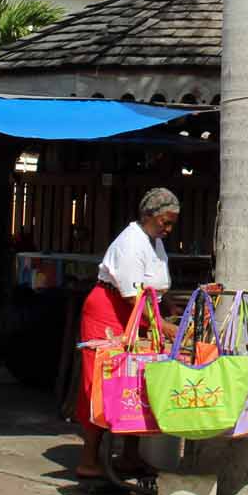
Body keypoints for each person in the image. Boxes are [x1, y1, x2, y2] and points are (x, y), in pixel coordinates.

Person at [77, 187, 178, 480]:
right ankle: (88, 459)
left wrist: (169, 311)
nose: (169, 229)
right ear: (149, 216)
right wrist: (164, 327)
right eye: (165, 223)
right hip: (109, 312)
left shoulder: (154, 240)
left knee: (136, 382)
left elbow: (156, 286)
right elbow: (133, 296)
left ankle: (129, 456)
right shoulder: (130, 243)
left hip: (139, 315)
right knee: (101, 383)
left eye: (172, 223)